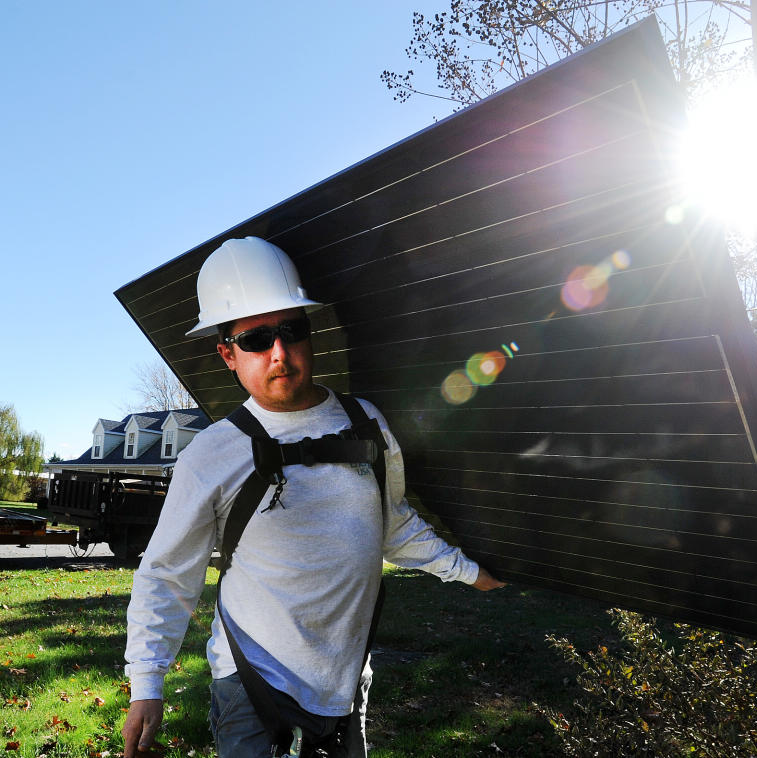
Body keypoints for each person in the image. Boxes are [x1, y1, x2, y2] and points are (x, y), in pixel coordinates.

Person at [122, 236, 505, 758]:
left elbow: (391, 523)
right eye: (256, 339)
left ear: (310, 333)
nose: (278, 353)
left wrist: (465, 570)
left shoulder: (366, 423)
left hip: (345, 687)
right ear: (227, 354)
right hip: (250, 687)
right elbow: (166, 574)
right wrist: (147, 684)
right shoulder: (211, 455)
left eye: (291, 331)